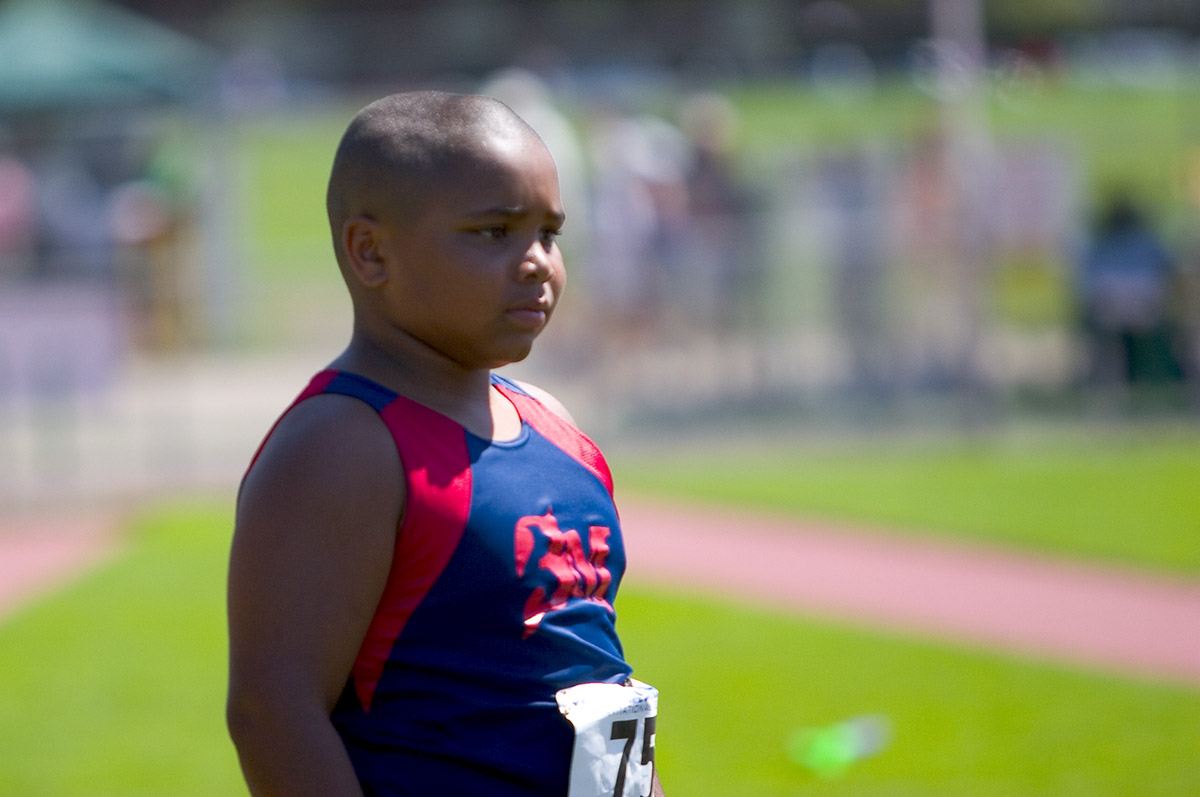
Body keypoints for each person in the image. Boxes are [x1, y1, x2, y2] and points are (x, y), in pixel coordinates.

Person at [225, 91, 663, 797]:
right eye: (494, 232)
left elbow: (601, 689)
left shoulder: (557, 431)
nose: (536, 262)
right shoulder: (343, 446)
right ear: (371, 251)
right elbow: (273, 713)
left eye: (549, 233)